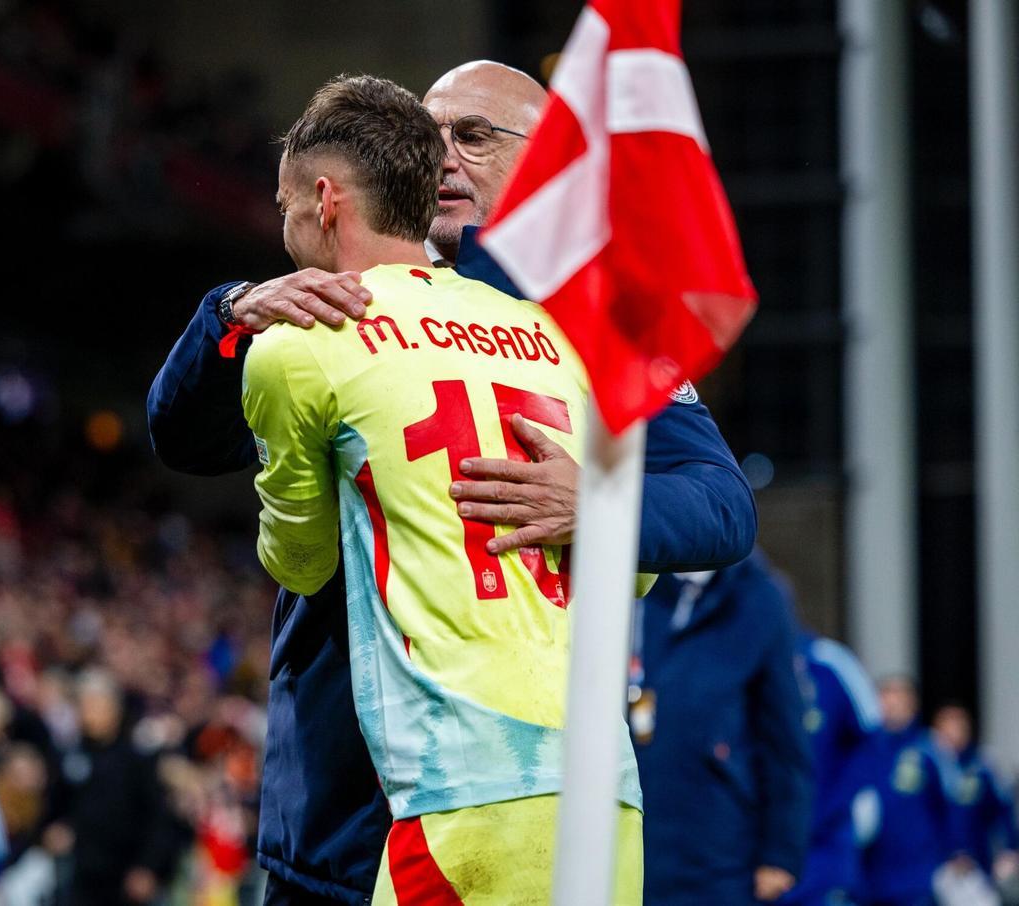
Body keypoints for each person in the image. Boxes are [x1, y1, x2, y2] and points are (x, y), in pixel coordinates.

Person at [149, 59, 756, 906]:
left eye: (471, 138)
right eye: (427, 139)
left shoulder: (597, 321)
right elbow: (187, 439)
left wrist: (595, 503)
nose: (440, 161)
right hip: (334, 801)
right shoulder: (335, 298)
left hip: (505, 789)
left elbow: (723, 502)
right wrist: (235, 309)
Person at [243, 73, 649, 903]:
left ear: (325, 200)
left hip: (458, 783)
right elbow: (635, 566)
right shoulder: (552, 334)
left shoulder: (301, 344)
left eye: (283, 205)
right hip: (605, 789)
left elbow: (303, 562)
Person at [630, 551, 812, 905]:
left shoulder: (759, 598)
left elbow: (785, 739)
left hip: (721, 846)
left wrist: (781, 853)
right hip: (637, 838)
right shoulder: (638, 585)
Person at [43, 668, 184, 906]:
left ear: (114, 708)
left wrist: (148, 866)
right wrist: (53, 830)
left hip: (125, 874)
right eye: (84, 706)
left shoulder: (137, 758)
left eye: (96, 705)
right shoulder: (72, 755)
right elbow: (55, 806)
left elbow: (158, 817)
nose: (89, 713)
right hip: (82, 873)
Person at [781, 633, 881, 906]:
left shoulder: (829, 660)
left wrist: (832, 805)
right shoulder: (744, 657)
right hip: (762, 854)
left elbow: (872, 736)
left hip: (824, 851)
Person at [859, 676, 955, 906]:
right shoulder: (864, 749)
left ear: (912, 705)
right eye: (885, 699)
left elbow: (950, 805)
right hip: (868, 875)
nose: (890, 706)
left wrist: (947, 853)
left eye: (898, 700)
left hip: (915, 875)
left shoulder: (929, 750)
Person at [930, 703, 1019, 890]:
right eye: (947, 728)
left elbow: (1003, 809)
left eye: (959, 727)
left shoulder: (982, 766)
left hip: (977, 865)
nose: (954, 734)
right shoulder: (927, 767)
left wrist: (1010, 849)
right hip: (934, 867)